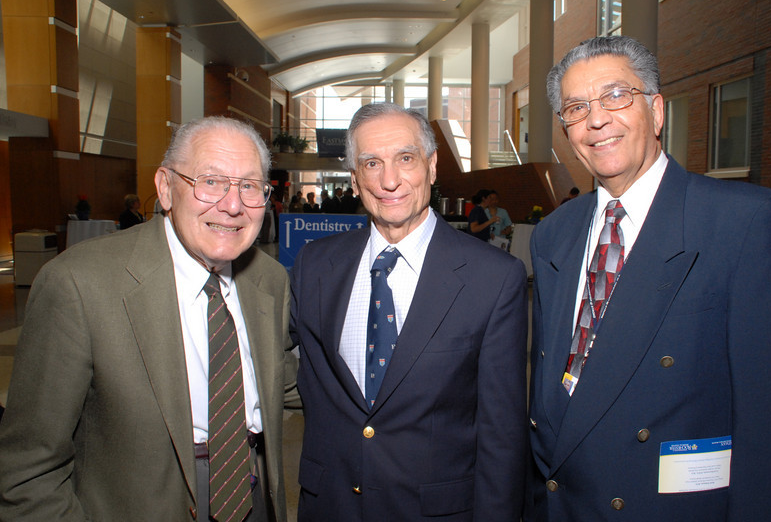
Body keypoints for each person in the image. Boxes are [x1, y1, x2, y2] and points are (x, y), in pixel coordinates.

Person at [525, 35, 771, 521]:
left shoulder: (747, 222)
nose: (596, 119)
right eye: (575, 108)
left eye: (616, 96)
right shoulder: (553, 235)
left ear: (656, 111)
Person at [0, 116, 301, 521]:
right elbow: (29, 471)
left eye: (249, 186)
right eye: (210, 181)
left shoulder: (269, 279)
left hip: (252, 494)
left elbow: (279, 376)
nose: (232, 205)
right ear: (165, 188)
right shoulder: (79, 284)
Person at [290, 103, 528, 521]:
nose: (389, 180)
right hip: (331, 505)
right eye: (371, 163)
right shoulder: (314, 266)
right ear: (355, 178)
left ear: (432, 166)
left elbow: (501, 434)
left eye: (405, 158)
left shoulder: (493, 278)